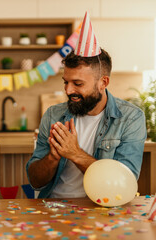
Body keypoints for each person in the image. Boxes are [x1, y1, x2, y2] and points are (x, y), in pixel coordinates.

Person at [26, 12, 147, 198]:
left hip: (102, 211)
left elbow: (125, 183)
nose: (68, 90)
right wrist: (53, 157)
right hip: (53, 209)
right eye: (65, 82)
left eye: (78, 84)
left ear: (103, 83)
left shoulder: (131, 118)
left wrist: (74, 153)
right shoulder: (53, 115)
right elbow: (35, 182)